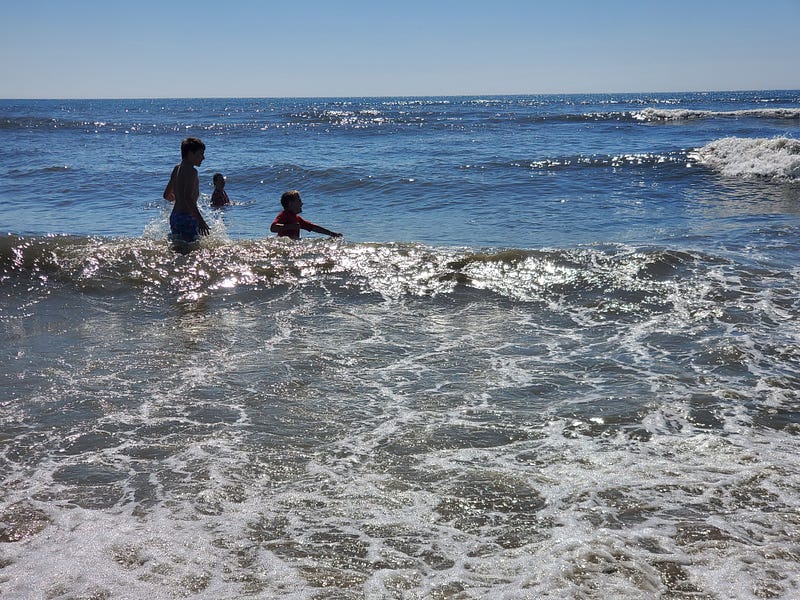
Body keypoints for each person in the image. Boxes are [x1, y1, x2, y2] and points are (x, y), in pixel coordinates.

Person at [163, 137, 211, 242]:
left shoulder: (177, 168)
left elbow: (166, 195)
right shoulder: (192, 171)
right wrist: (201, 220)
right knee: (191, 250)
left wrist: (179, 202)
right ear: (190, 154)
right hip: (187, 217)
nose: (203, 158)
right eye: (200, 154)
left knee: (179, 247)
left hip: (175, 216)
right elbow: (188, 198)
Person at [270, 190, 342, 239]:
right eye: (299, 200)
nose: (302, 203)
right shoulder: (284, 214)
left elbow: (313, 227)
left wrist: (332, 234)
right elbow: (273, 228)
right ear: (290, 204)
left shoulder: (297, 219)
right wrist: (290, 226)